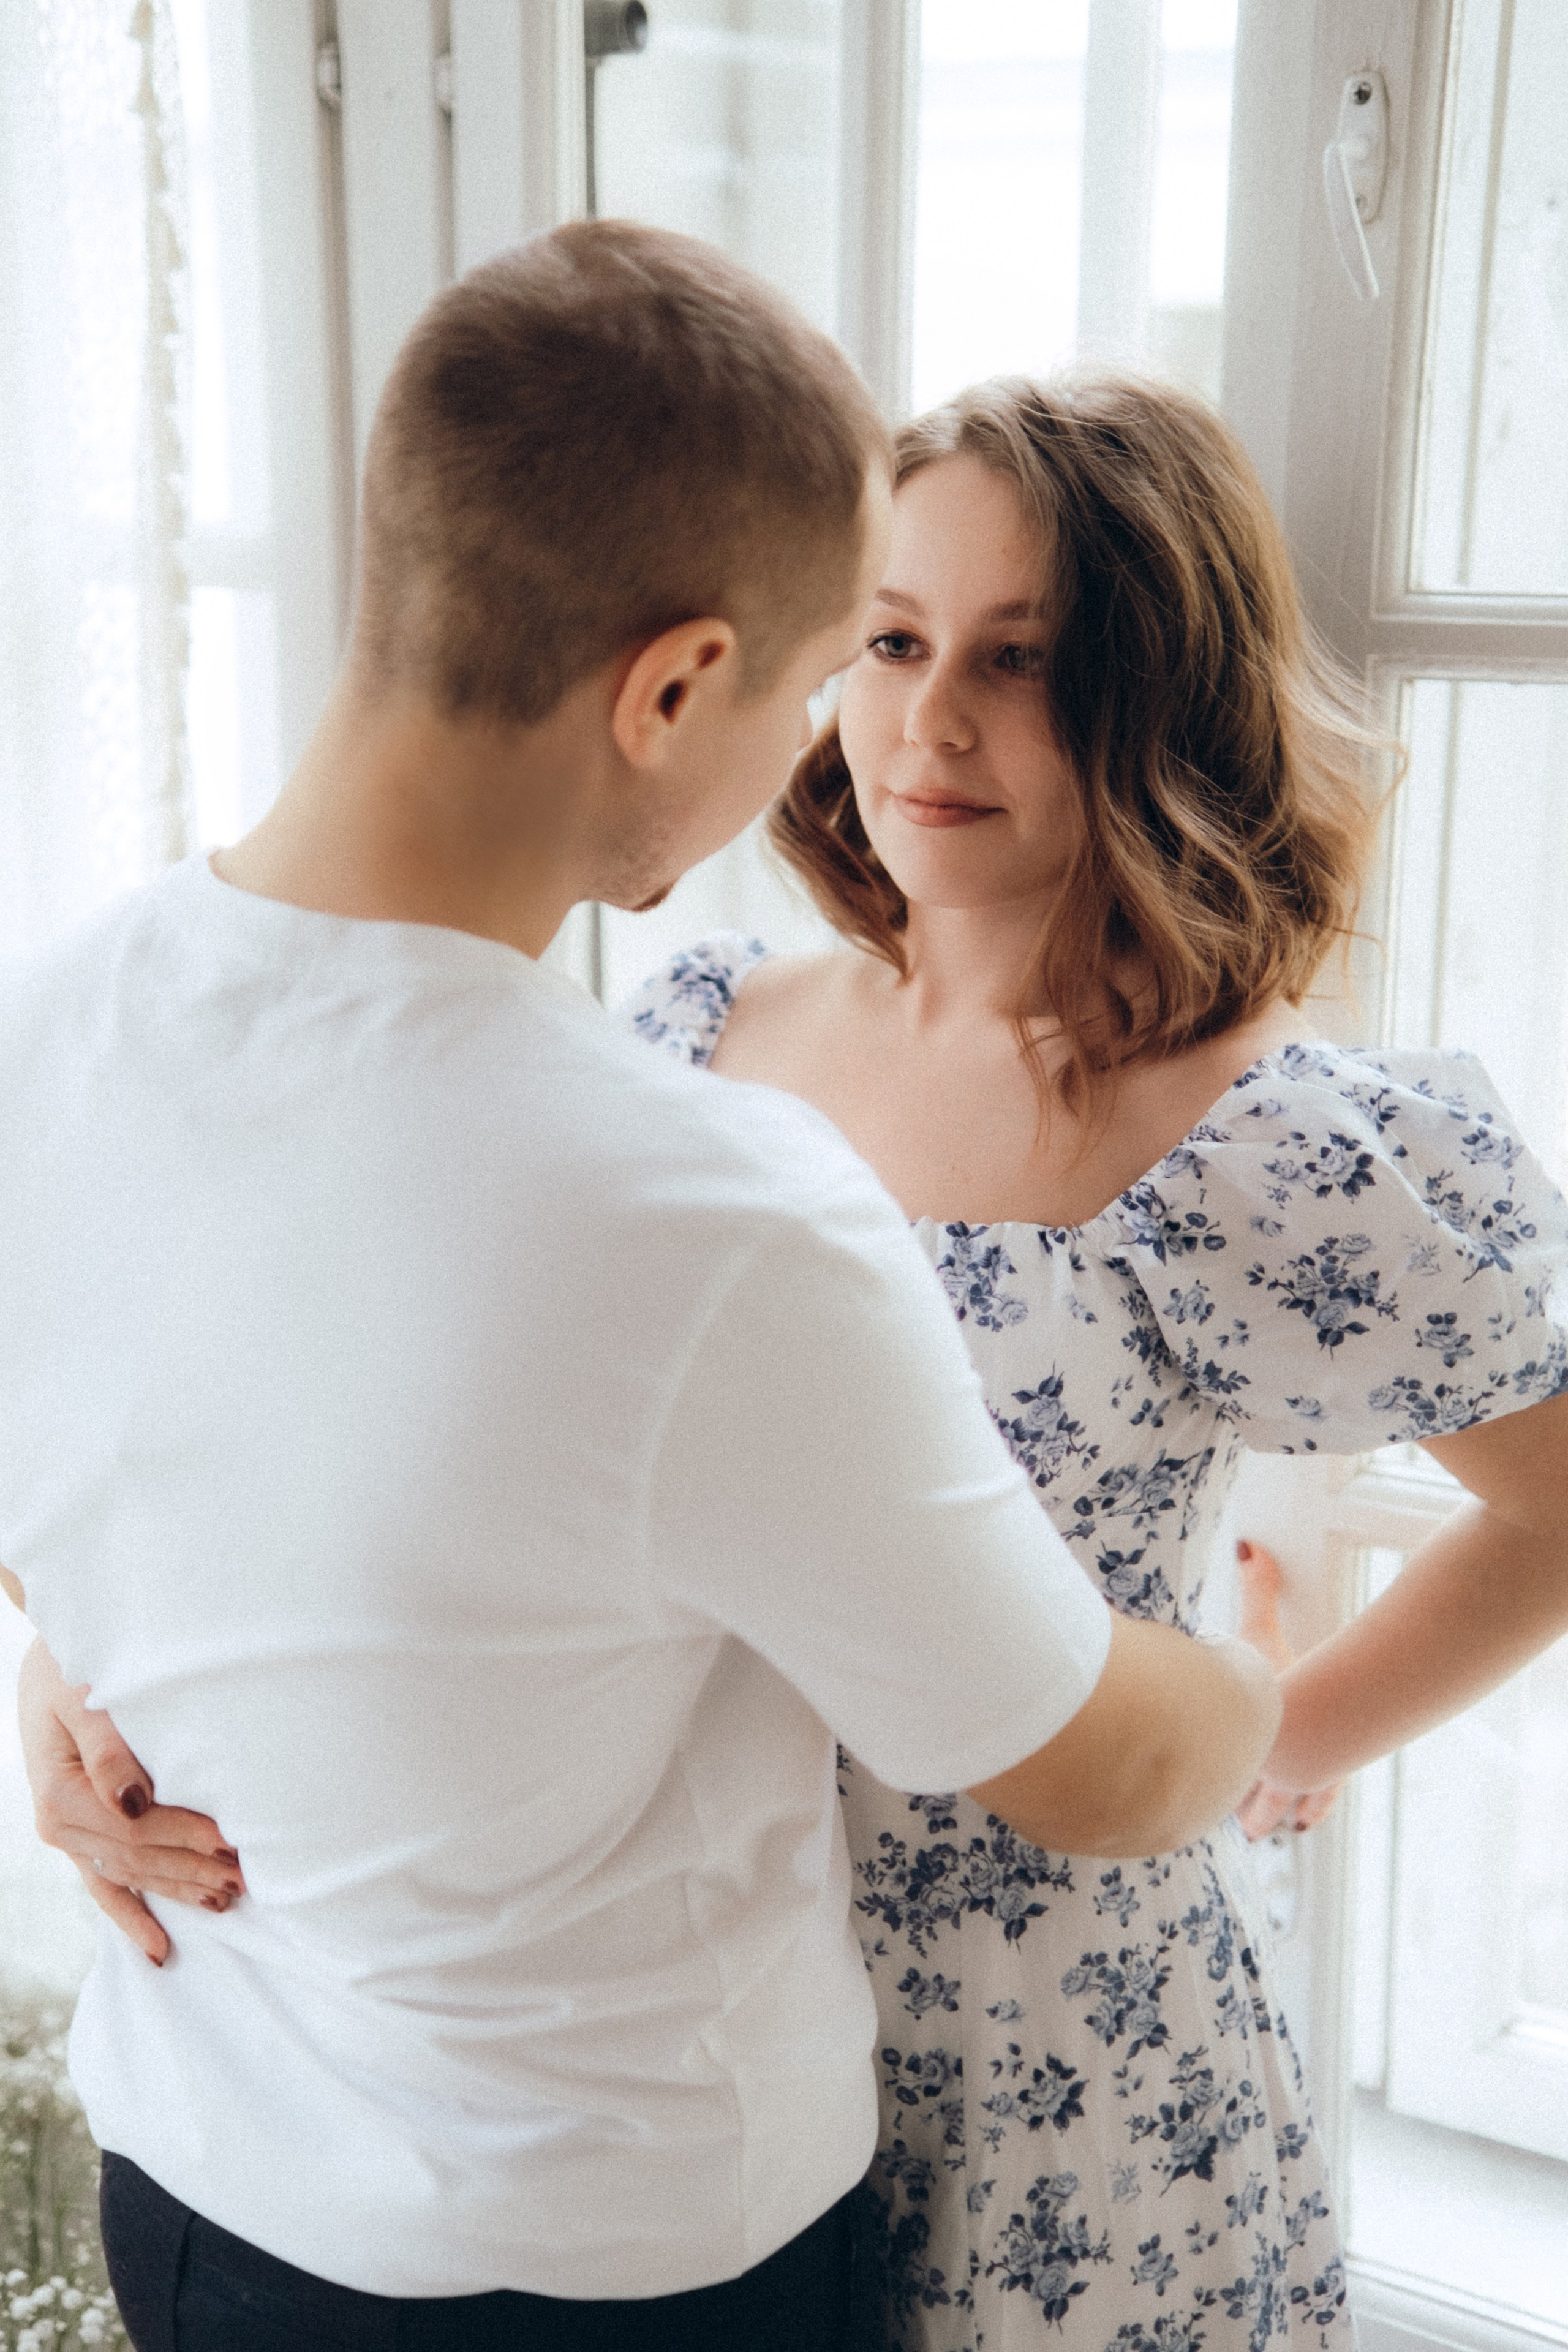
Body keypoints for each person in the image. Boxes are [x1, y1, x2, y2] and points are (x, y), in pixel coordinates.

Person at [0, 232, 1279, 2352]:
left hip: (192, 2213)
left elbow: (80, 1497)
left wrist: (76, 1685)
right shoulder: (709, 1213)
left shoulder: (37, 1029)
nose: (832, 746)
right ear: (675, 683)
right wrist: (1248, 1661)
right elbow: (1091, 1768)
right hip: (589, 2280)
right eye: (819, 674)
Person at [621, 373, 1568, 2351]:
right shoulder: (693, 1034)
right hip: (681, 2000)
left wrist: (1278, 1731)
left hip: (1061, 2058)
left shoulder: (1251, 1136)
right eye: (890, 640)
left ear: (1156, 697)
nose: (928, 719)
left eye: (1020, 661)